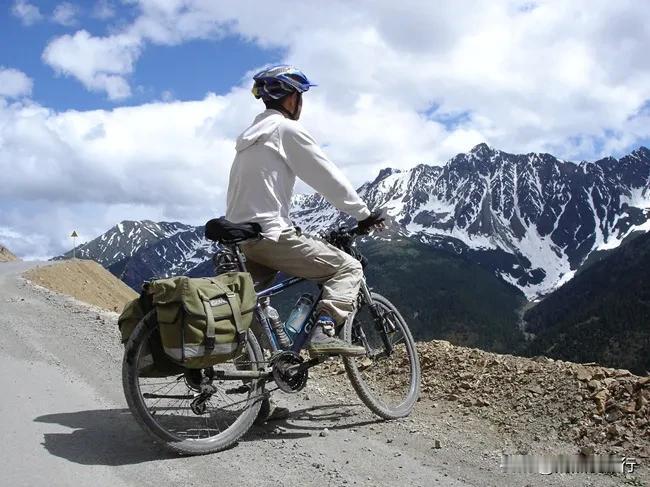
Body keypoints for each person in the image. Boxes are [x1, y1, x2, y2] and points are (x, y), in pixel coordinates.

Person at [225, 64, 384, 420]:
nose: (302, 103)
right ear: (292, 98)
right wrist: (361, 213)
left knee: (248, 308)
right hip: (270, 235)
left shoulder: (249, 136)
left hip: (243, 238)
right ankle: (324, 330)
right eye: (301, 96)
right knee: (348, 267)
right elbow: (325, 175)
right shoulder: (285, 130)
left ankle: (255, 402)